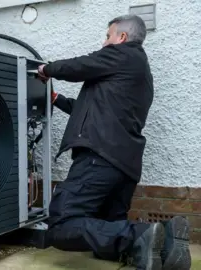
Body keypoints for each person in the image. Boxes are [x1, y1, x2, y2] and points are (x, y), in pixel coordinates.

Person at [37, 14, 191, 270]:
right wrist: (56, 99)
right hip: (124, 167)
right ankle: (167, 242)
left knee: (61, 225)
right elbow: (91, 110)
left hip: (100, 158)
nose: (104, 42)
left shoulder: (122, 54)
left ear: (121, 37)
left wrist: (47, 69)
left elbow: (79, 66)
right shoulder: (139, 73)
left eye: (108, 36)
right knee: (108, 236)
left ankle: (138, 234)